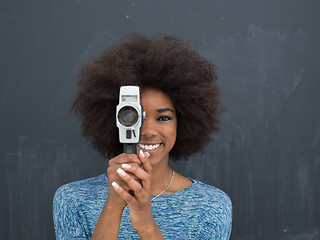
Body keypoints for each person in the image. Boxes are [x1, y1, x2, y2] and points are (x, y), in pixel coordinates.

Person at [53, 33, 232, 240]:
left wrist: (146, 226)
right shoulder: (72, 200)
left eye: (163, 118)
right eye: (134, 117)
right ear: (114, 120)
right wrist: (113, 206)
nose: (147, 131)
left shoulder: (211, 206)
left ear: (182, 123)